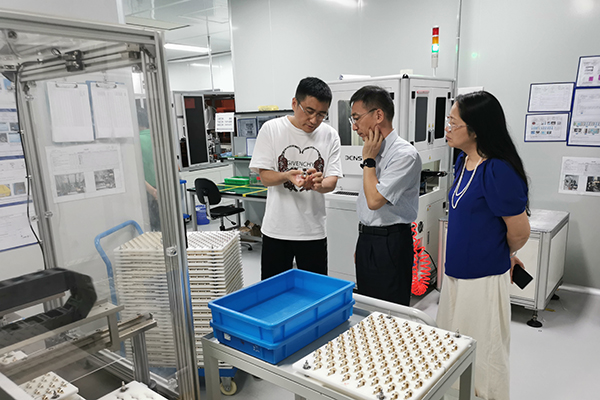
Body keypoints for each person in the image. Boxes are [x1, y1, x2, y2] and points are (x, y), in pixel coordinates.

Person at [437, 91, 531, 400]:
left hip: (483, 279)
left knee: (483, 355)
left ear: (475, 130)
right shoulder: (463, 161)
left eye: (453, 123)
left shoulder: (497, 170)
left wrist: (505, 254)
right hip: (455, 273)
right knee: (452, 348)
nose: (447, 128)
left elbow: (520, 232)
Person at [249, 77, 342, 280]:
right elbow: (265, 177)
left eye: (321, 114)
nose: (314, 120)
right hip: (277, 230)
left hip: (313, 232)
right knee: (273, 291)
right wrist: (286, 176)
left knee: (315, 291)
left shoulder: (330, 135)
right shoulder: (272, 129)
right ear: (294, 103)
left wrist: (318, 184)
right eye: (309, 111)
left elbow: (332, 181)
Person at [350, 85, 422, 305]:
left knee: (390, 310)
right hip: (368, 239)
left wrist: (368, 160)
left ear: (378, 115)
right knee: (367, 305)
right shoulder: (373, 150)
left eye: (357, 118)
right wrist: (364, 242)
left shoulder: (404, 155)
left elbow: (374, 201)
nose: (354, 126)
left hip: (391, 243)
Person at [138, 107, 160, 231]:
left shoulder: (136, 142)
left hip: (149, 192)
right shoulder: (159, 137)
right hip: (165, 189)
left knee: (152, 231)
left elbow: (135, 174)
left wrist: (152, 191)